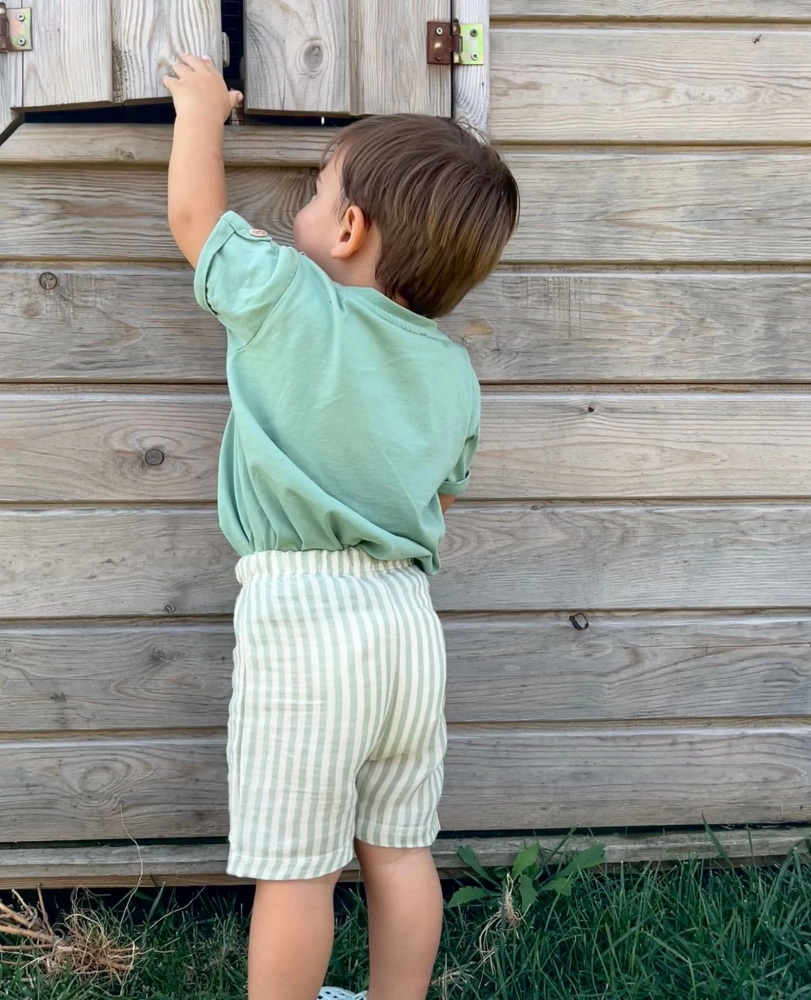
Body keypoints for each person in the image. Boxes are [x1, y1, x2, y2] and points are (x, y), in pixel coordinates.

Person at [163, 53, 520, 1000]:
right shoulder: (451, 373)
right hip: (407, 620)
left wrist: (199, 111)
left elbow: (198, 225)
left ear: (350, 228)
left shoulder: (290, 300)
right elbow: (438, 500)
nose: (301, 215)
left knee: (300, 865)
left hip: (304, 615)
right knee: (400, 850)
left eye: (315, 196)